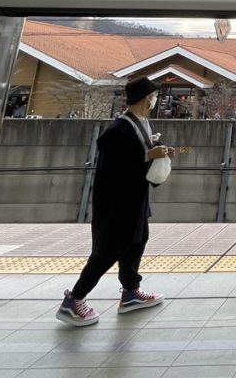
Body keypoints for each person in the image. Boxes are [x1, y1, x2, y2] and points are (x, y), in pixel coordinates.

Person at [56, 76, 174, 326]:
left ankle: (131, 292)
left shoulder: (141, 123)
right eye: (153, 96)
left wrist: (157, 148)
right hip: (116, 204)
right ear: (145, 99)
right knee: (108, 251)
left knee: (137, 241)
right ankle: (74, 300)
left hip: (135, 199)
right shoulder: (119, 128)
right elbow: (113, 163)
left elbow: (139, 152)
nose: (155, 100)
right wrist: (146, 153)